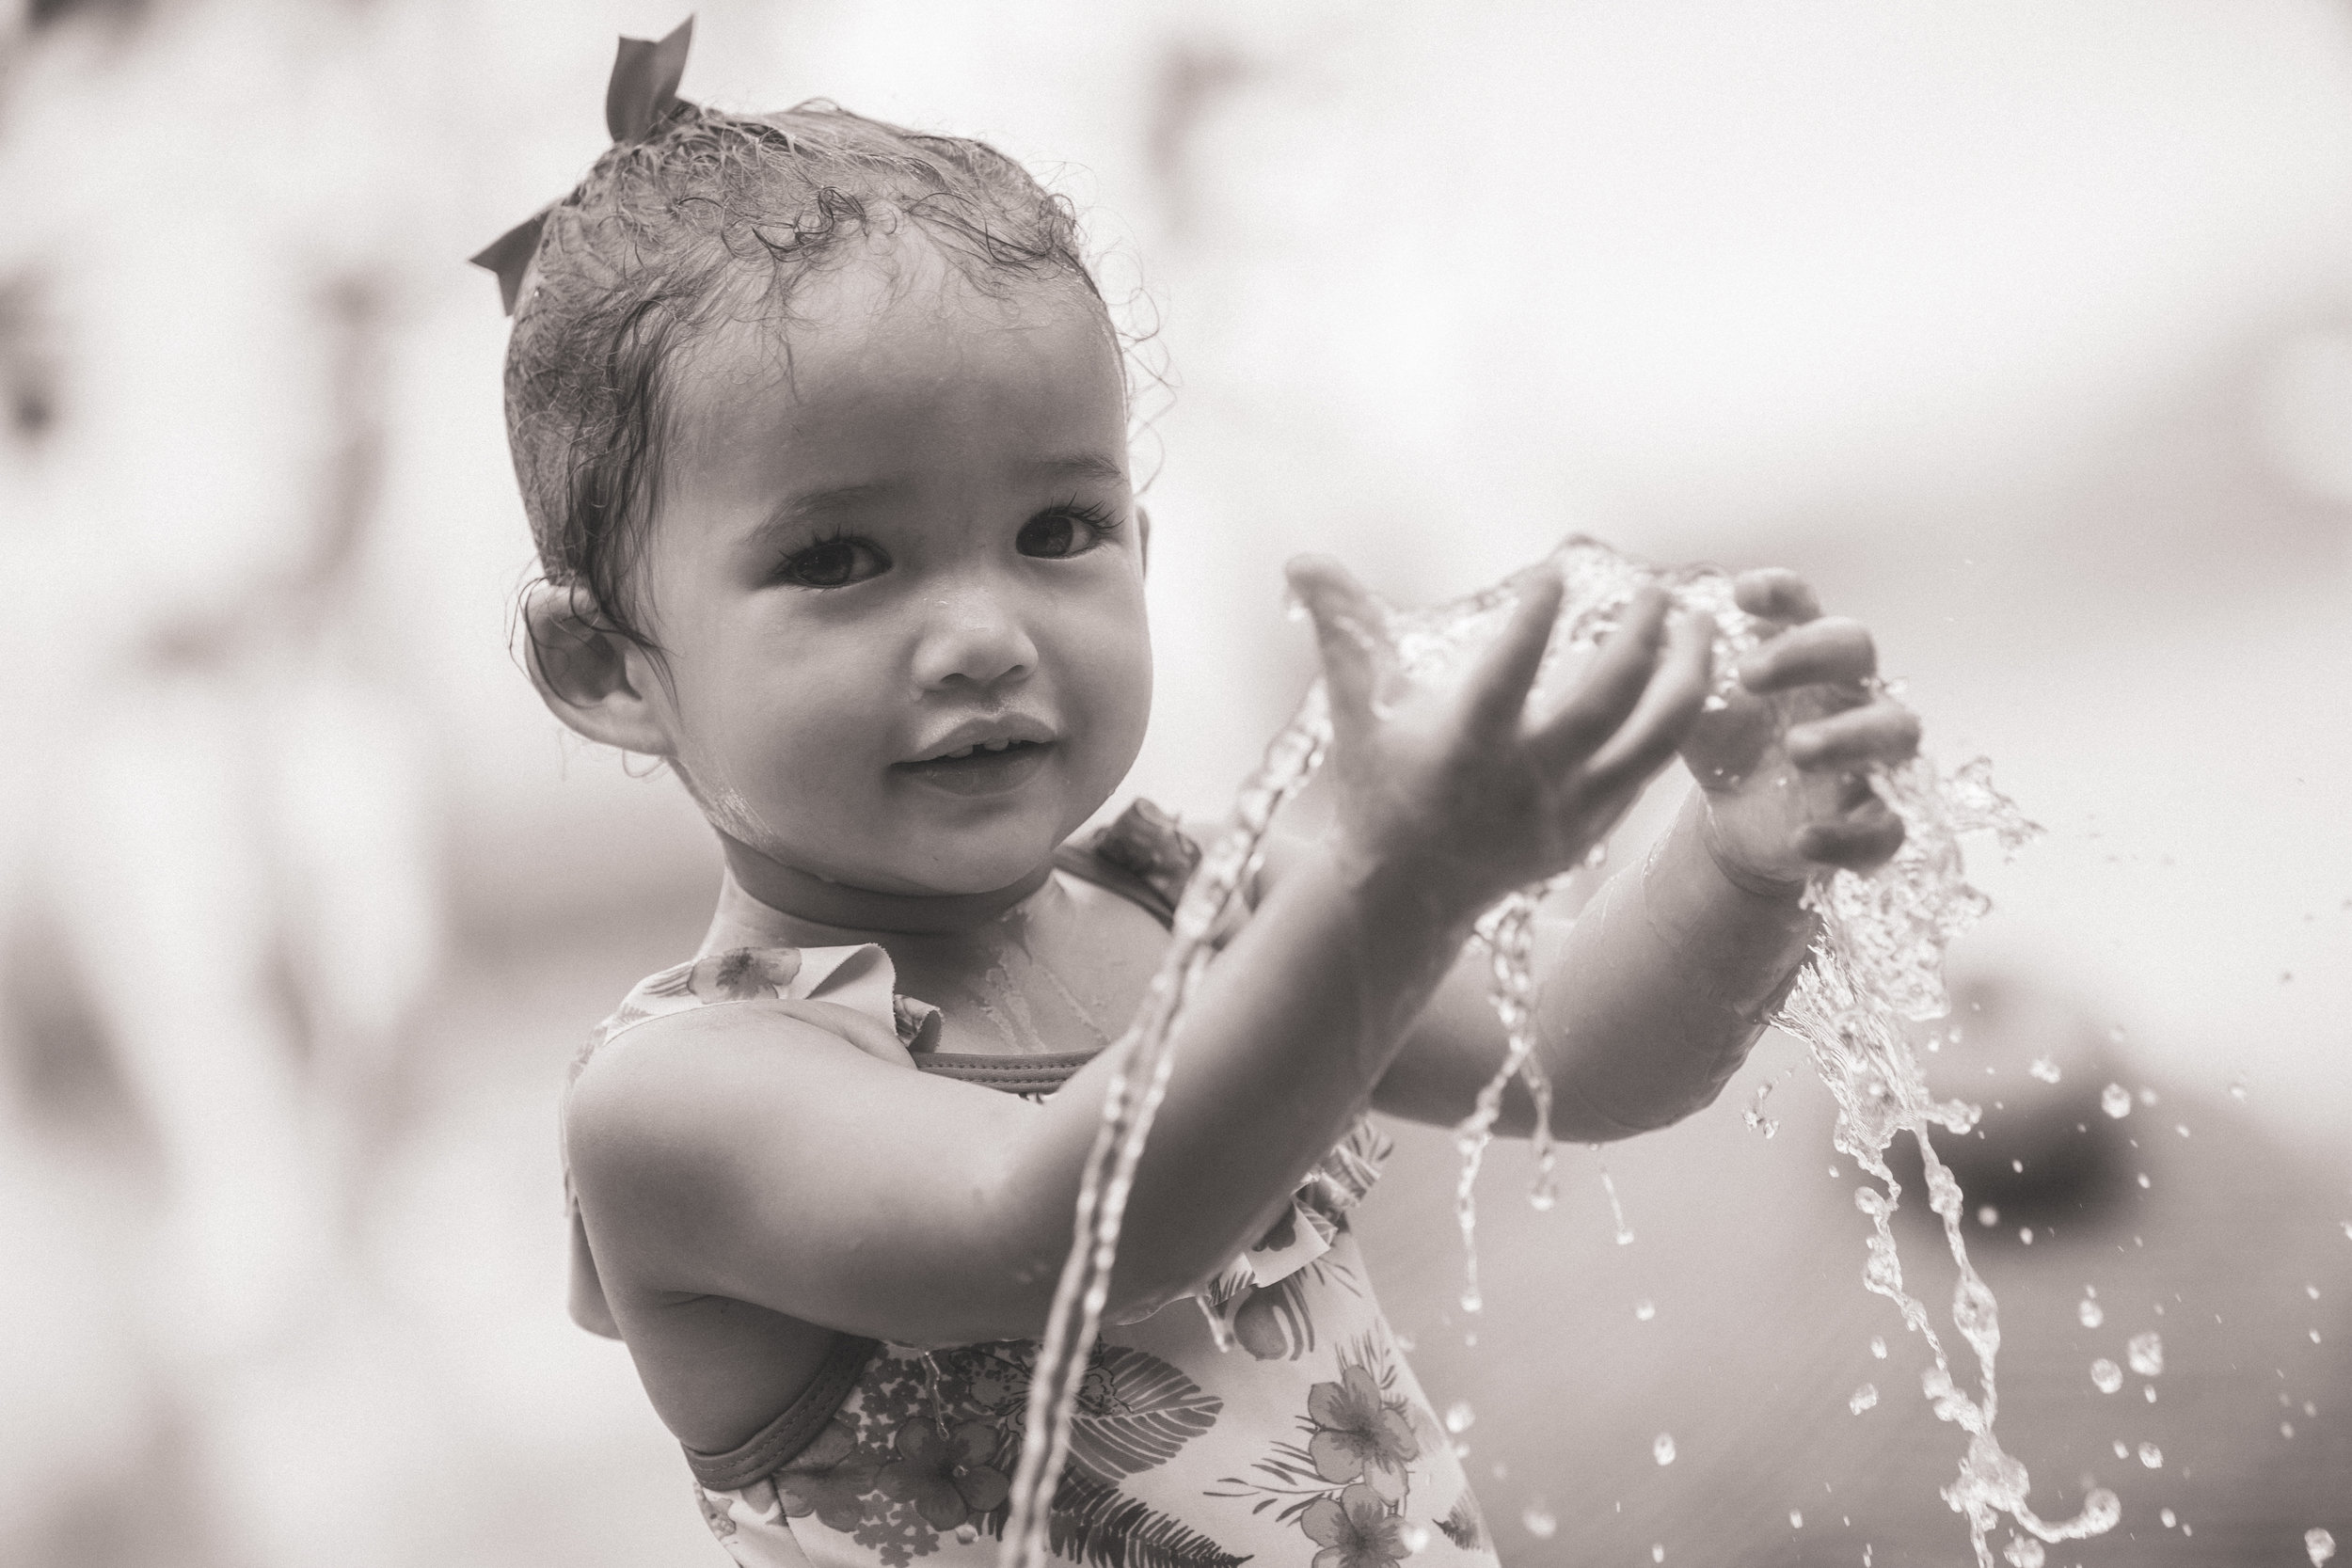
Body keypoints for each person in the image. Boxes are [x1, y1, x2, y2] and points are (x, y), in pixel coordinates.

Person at [482, 24, 1921, 1567]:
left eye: (1057, 529)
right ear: (606, 666)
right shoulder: (687, 1098)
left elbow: (1579, 1060)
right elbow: (1054, 1231)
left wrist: (1741, 866)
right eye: (840, 560)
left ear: (1144, 551)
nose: (986, 634)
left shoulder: (1198, 900)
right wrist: (1400, 887)